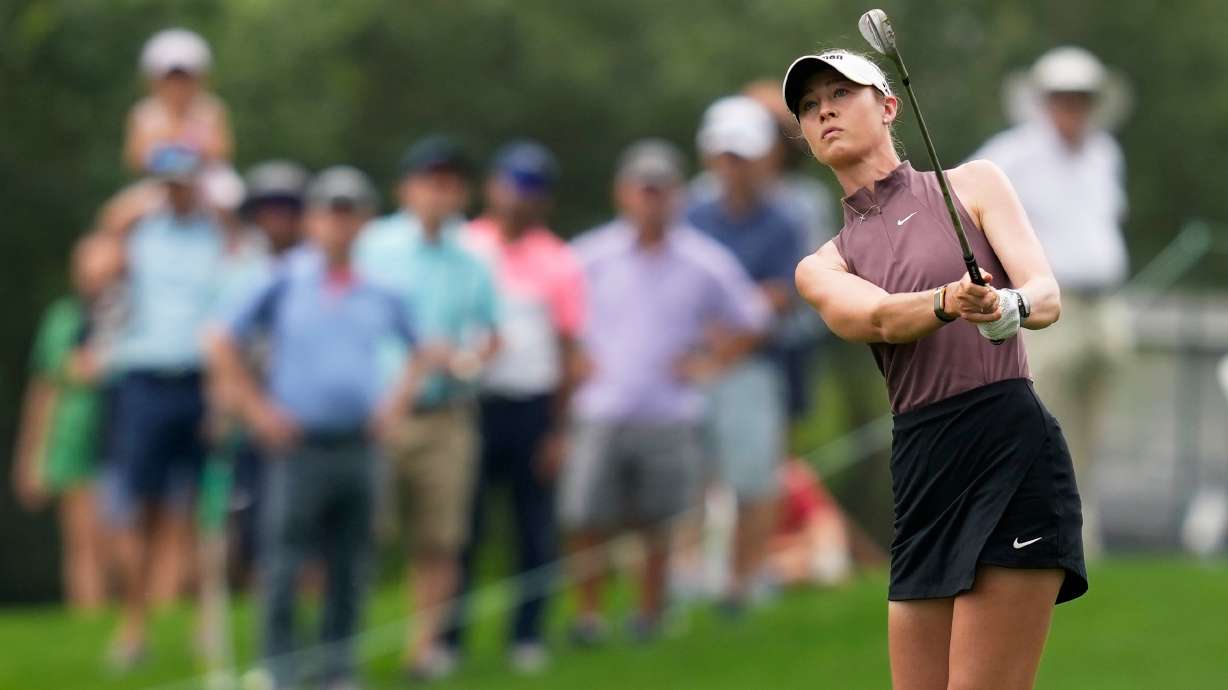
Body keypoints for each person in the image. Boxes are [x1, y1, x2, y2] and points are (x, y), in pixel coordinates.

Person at [786, 49, 1087, 690]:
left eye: (841, 94)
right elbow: (879, 318)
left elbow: (1046, 296)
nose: (824, 111)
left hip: (1008, 444)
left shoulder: (974, 184)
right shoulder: (822, 265)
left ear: (889, 107)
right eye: (809, 106)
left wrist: (1008, 306)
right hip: (924, 464)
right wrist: (949, 300)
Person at [210, 166, 420, 690]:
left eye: (350, 213)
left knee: (351, 564)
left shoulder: (381, 289)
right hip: (297, 444)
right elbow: (219, 339)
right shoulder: (283, 279)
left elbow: (424, 350)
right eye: (330, 212)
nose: (339, 224)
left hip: (359, 443)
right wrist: (257, 411)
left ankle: (338, 669)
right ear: (312, 220)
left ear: (366, 221)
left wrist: (395, 406)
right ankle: (280, 668)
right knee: (283, 561)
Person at [561, 139, 769, 643]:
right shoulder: (591, 255)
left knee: (657, 520)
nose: (650, 200)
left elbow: (754, 316)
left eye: (660, 190)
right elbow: (555, 312)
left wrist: (711, 362)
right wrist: (572, 355)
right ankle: (588, 617)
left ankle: (649, 615)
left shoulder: (703, 260)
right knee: (586, 517)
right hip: (602, 407)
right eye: (642, 189)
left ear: (677, 195)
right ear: (623, 193)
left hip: (670, 412)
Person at [970, 47, 1131, 557]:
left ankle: (1082, 536)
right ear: (1043, 100)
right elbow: (968, 218)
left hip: (1104, 307)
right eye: (1063, 97)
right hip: (1045, 311)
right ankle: (1034, 533)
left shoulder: (1105, 153)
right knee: (1041, 421)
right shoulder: (1010, 155)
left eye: (1081, 97)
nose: (1072, 107)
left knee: (1094, 430)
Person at [353, 135, 500, 680]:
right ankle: (344, 648)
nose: (440, 192)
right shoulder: (373, 245)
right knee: (360, 536)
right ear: (406, 189)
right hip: (377, 414)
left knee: (439, 539)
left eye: (450, 183)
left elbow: (490, 333)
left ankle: (423, 650)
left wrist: (464, 361)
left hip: (446, 413)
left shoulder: (473, 255)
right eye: (430, 182)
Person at [446, 140, 584, 673]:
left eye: (533, 188)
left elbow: (569, 352)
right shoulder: (464, 245)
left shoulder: (558, 259)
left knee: (533, 530)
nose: (521, 197)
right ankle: (448, 641)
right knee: (462, 530)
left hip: (532, 410)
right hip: (470, 407)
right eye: (514, 184)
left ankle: (526, 635)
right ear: (493, 186)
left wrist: (559, 430)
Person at [105, 143, 226, 667]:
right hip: (145, 379)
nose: (178, 191)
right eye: (168, 182)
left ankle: (206, 623)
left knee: (205, 509)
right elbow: (102, 251)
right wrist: (134, 205)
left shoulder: (218, 234)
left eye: (185, 181)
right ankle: (134, 627)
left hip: (201, 380)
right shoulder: (136, 231)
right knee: (141, 508)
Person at [686, 95, 804, 610]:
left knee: (754, 478)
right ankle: (688, 583)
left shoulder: (784, 217)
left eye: (742, 156)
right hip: (694, 364)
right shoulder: (690, 212)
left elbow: (778, 297)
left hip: (755, 365)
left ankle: (747, 581)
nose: (733, 166)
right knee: (691, 478)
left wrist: (727, 344)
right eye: (725, 155)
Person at [12, 234, 124, 612]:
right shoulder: (62, 318)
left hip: (122, 439)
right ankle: (89, 622)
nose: (95, 283)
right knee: (83, 542)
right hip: (73, 442)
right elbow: (42, 391)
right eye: (89, 275)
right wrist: (30, 459)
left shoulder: (132, 315)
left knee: (121, 543)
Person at [126, 28, 232, 173]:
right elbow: (134, 158)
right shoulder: (144, 113)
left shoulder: (211, 109)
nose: (178, 88)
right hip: (160, 178)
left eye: (184, 80)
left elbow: (223, 151)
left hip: (206, 177)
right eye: (172, 80)